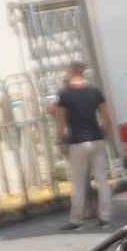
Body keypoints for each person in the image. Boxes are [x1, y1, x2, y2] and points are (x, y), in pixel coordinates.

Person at [48, 65, 112, 231]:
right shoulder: (95, 92)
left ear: (69, 74)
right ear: (84, 74)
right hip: (96, 139)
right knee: (102, 180)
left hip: (78, 142)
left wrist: (60, 141)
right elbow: (106, 117)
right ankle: (105, 218)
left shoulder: (65, 94)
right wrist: (102, 133)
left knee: (79, 183)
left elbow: (61, 120)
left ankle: (76, 220)